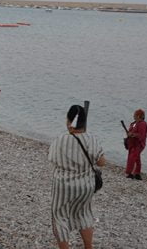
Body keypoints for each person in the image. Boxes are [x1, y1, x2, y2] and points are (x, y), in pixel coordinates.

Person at [48, 105, 106, 249]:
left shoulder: (60, 139)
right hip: (86, 184)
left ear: (69, 121)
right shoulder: (91, 139)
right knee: (84, 214)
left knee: (60, 217)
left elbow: (52, 158)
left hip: (63, 185)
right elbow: (102, 162)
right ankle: (88, 246)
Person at [125, 109, 147, 180]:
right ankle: (137, 174)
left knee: (132, 157)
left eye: (134, 115)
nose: (133, 116)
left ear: (138, 116)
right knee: (136, 158)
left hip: (138, 144)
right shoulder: (134, 123)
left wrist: (133, 134)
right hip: (132, 143)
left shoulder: (142, 124)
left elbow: (141, 135)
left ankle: (130, 173)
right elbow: (131, 131)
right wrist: (129, 134)